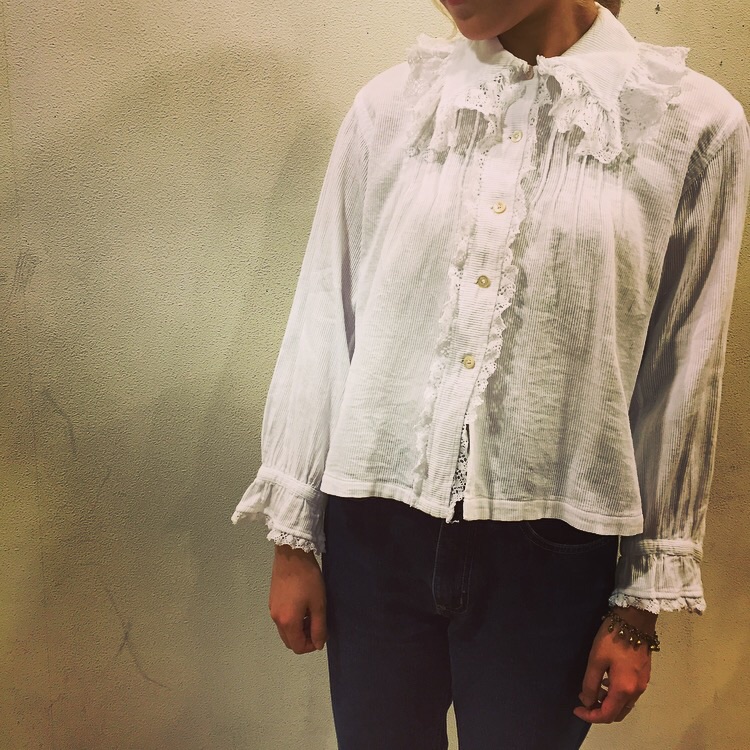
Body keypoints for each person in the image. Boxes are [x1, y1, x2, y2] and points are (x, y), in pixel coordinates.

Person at [232, 1, 750, 747]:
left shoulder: (690, 124)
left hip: (553, 553)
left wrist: (640, 604)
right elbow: (326, 313)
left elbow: (682, 372)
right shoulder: (393, 108)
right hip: (374, 532)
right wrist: (295, 538)